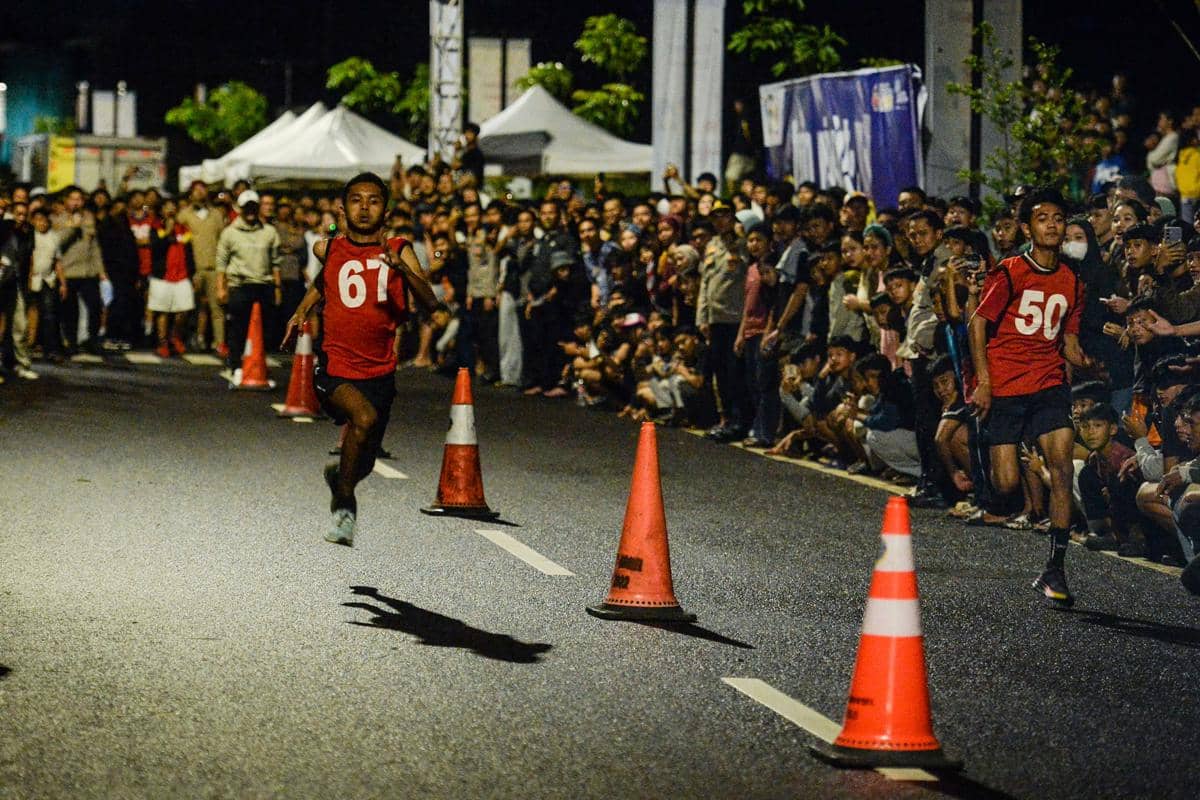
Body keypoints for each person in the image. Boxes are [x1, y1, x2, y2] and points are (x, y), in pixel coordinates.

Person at [283, 173, 436, 546]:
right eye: (356, 199)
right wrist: (300, 312)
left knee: (364, 461)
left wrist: (402, 270)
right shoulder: (329, 248)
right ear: (343, 207)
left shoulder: (401, 248)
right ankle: (344, 506)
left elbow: (432, 302)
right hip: (336, 365)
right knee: (362, 418)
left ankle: (341, 475)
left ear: (386, 211)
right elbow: (324, 282)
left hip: (381, 369)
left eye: (373, 200)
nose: (364, 207)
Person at [969, 188, 1089, 607]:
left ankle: (1055, 570)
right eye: (1043, 218)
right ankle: (993, 452)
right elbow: (977, 325)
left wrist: (1090, 363)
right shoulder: (1009, 272)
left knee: (1062, 467)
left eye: (1059, 218)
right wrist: (983, 382)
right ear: (1026, 228)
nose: (1053, 225)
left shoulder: (1073, 280)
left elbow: (1069, 342)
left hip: (1048, 384)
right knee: (1003, 490)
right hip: (1005, 384)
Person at [216, 191, 281, 377]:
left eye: (254, 207)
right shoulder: (230, 233)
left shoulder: (269, 232)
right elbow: (221, 262)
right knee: (238, 328)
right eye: (247, 208)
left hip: (264, 285)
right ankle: (235, 365)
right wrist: (221, 288)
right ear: (240, 209)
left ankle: (257, 364)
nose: (251, 212)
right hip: (240, 285)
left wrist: (277, 289)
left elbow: (275, 262)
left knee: (266, 331)